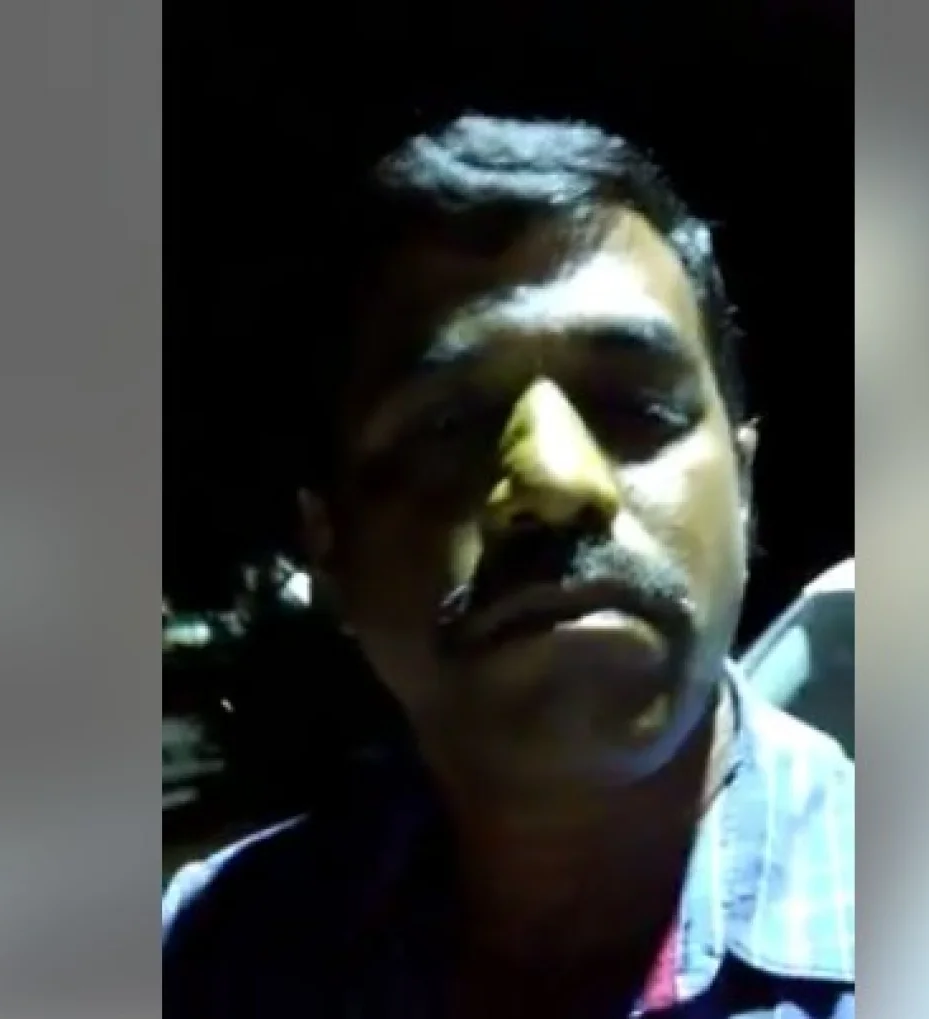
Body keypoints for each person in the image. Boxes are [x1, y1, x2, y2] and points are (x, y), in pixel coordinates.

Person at [163, 114, 854, 1018]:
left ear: (745, 485)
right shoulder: (210, 952)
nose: (557, 480)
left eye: (638, 406)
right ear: (330, 549)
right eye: (449, 428)